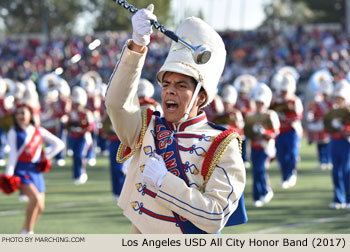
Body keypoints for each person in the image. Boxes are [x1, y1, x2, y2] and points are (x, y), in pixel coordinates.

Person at [105, 5, 247, 234]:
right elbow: (116, 103)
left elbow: (215, 215)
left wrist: (164, 183)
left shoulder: (223, 143)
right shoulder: (146, 127)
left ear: (201, 97)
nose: (170, 91)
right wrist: (137, 45)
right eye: (167, 84)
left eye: (181, 86)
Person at [2, 101, 64, 234]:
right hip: (21, 170)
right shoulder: (14, 132)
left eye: (23, 113)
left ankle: (24, 230)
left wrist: (44, 156)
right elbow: (13, 155)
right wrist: (9, 175)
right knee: (35, 198)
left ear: (31, 115)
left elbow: (59, 144)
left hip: (35, 171)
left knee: (40, 206)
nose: (20, 116)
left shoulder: (39, 131)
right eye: (17, 113)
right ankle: (29, 232)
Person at [245, 83, 280, 207]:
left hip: (265, 146)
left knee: (260, 169)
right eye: (257, 102)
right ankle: (257, 195)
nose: (259, 105)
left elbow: (275, 131)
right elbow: (247, 132)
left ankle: (265, 191)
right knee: (256, 171)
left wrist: (264, 132)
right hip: (254, 146)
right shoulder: (252, 115)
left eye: (261, 103)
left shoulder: (270, 115)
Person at [271, 74, 303, 189]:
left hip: (291, 131)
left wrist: (284, 117)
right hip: (280, 131)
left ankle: (291, 174)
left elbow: (298, 116)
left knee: (292, 154)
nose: (283, 92)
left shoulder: (295, 101)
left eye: (286, 90)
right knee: (281, 155)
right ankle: (285, 177)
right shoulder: (276, 101)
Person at [326, 80, 350, 209]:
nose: (338, 100)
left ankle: (349, 198)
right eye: (337, 98)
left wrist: (343, 127)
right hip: (334, 141)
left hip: (346, 143)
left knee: (347, 171)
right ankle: (338, 198)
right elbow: (327, 125)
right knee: (336, 171)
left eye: (341, 98)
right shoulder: (333, 110)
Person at [66, 86, 94, 185]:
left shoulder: (86, 113)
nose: (76, 105)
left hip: (83, 138)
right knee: (74, 157)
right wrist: (72, 129)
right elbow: (67, 125)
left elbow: (91, 127)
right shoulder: (71, 113)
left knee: (80, 156)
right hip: (73, 137)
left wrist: (81, 130)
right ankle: (76, 175)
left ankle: (82, 174)